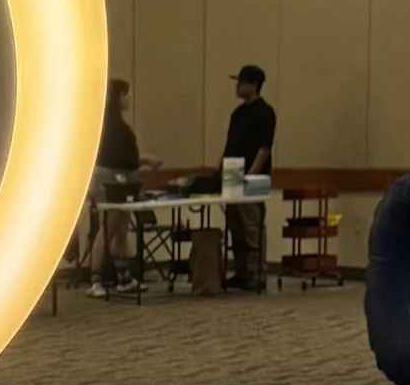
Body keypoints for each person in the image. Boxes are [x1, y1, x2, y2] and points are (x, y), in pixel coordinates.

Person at [159, 65, 277, 287]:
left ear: (253, 85)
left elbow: (264, 148)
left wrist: (250, 175)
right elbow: (230, 144)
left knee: (252, 226)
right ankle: (242, 272)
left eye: (241, 82)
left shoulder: (265, 112)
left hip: (252, 178)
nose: (237, 86)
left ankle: (256, 274)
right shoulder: (238, 113)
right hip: (230, 175)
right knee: (236, 225)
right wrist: (219, 167)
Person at [81, 77, 146, 295]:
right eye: (125, 94)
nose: (128, 99)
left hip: (126, 181)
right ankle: (96, 280)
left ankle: (124, 277)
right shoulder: (106, 125)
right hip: (110, 181)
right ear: (117, 97)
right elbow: (112, 156)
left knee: (121, 228)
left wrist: (142, 161)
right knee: (107, 227)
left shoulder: (119, 125)